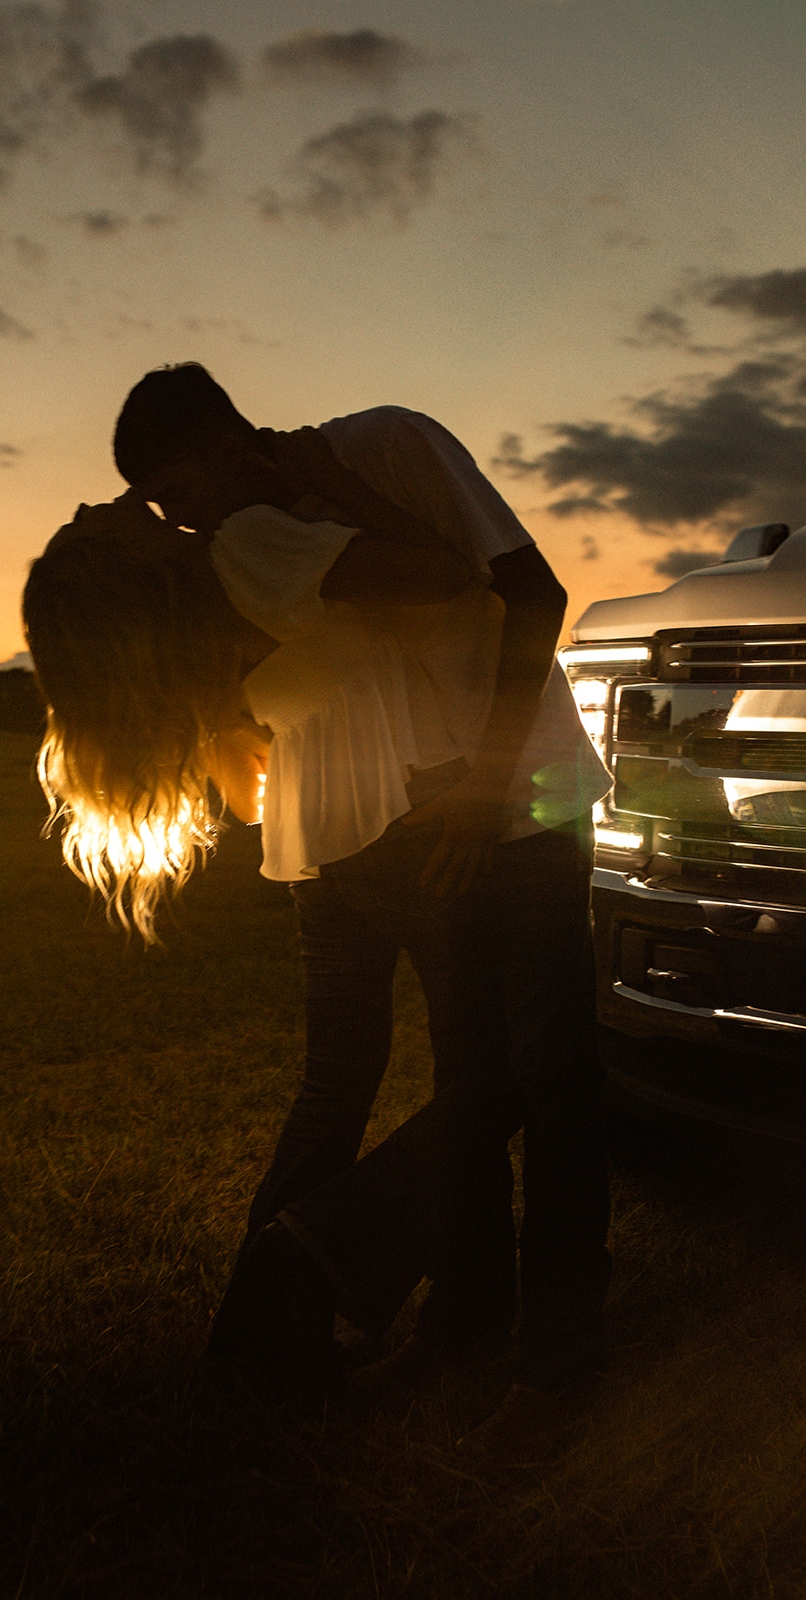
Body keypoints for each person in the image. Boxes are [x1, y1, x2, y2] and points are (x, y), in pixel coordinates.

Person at [108, 366, 613, 1425]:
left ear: (217, 444)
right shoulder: (278, 528)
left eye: (172, 490)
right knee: (468, 1068)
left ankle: (557, 1354)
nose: (177, 517)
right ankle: (462, 1319)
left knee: (549, 1071)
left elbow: (533, 592)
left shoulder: (385, 442)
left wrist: (484, 781)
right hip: (441, 811)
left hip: (526, 783)